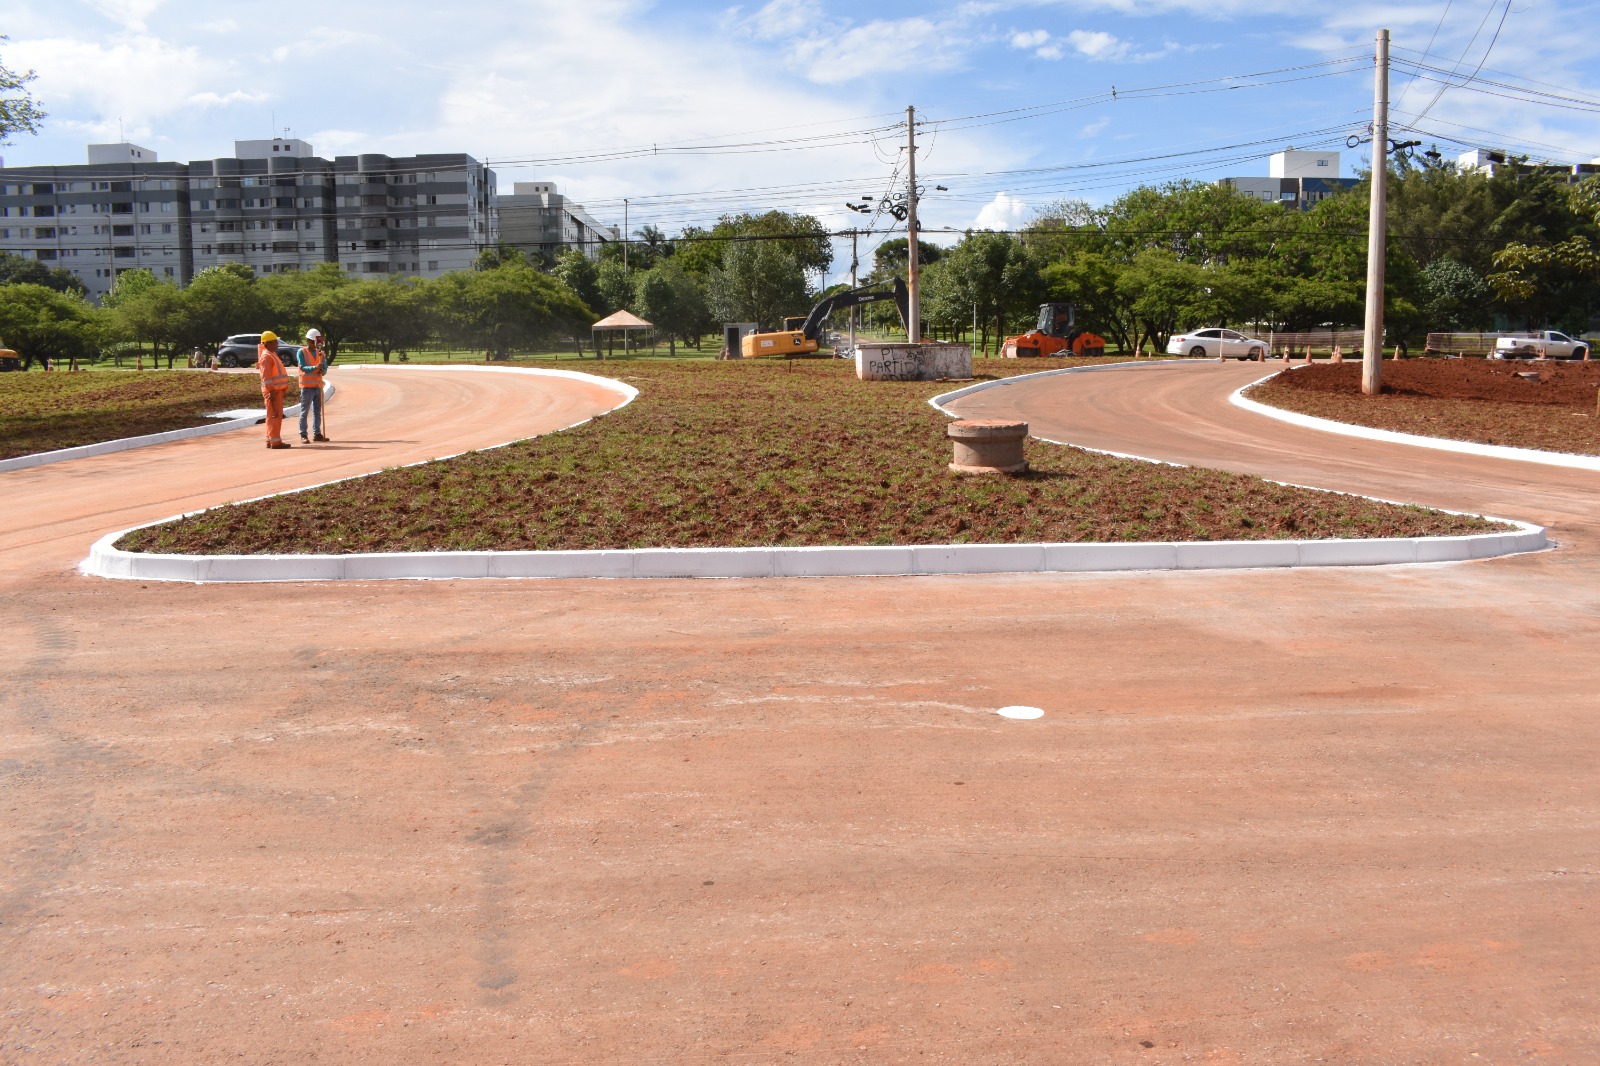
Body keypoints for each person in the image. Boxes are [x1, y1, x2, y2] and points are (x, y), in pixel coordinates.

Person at [257, 330, 291, 449]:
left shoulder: (271, 354)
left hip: (276, 391)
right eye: (274, 341)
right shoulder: (267, 357)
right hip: (273, 392)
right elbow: (266, 378)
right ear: (267, 343)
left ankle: (270, 439)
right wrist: (271, 391)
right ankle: (275, 442)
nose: (277, 343)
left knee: (272, 416)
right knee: (275, 416)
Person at [297, 327, 331, 443]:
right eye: (312, 342)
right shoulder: (301, 352)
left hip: (318, 386)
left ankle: (317, 433)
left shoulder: (321, 353)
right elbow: (303, 367)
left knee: (317, 412)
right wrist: (315, 368)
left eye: (315, 342)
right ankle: (303, 434)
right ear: (307, 340)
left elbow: (325, 368)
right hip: (306, 388)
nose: (314, 344)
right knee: (304, 412)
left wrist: (323, 370)